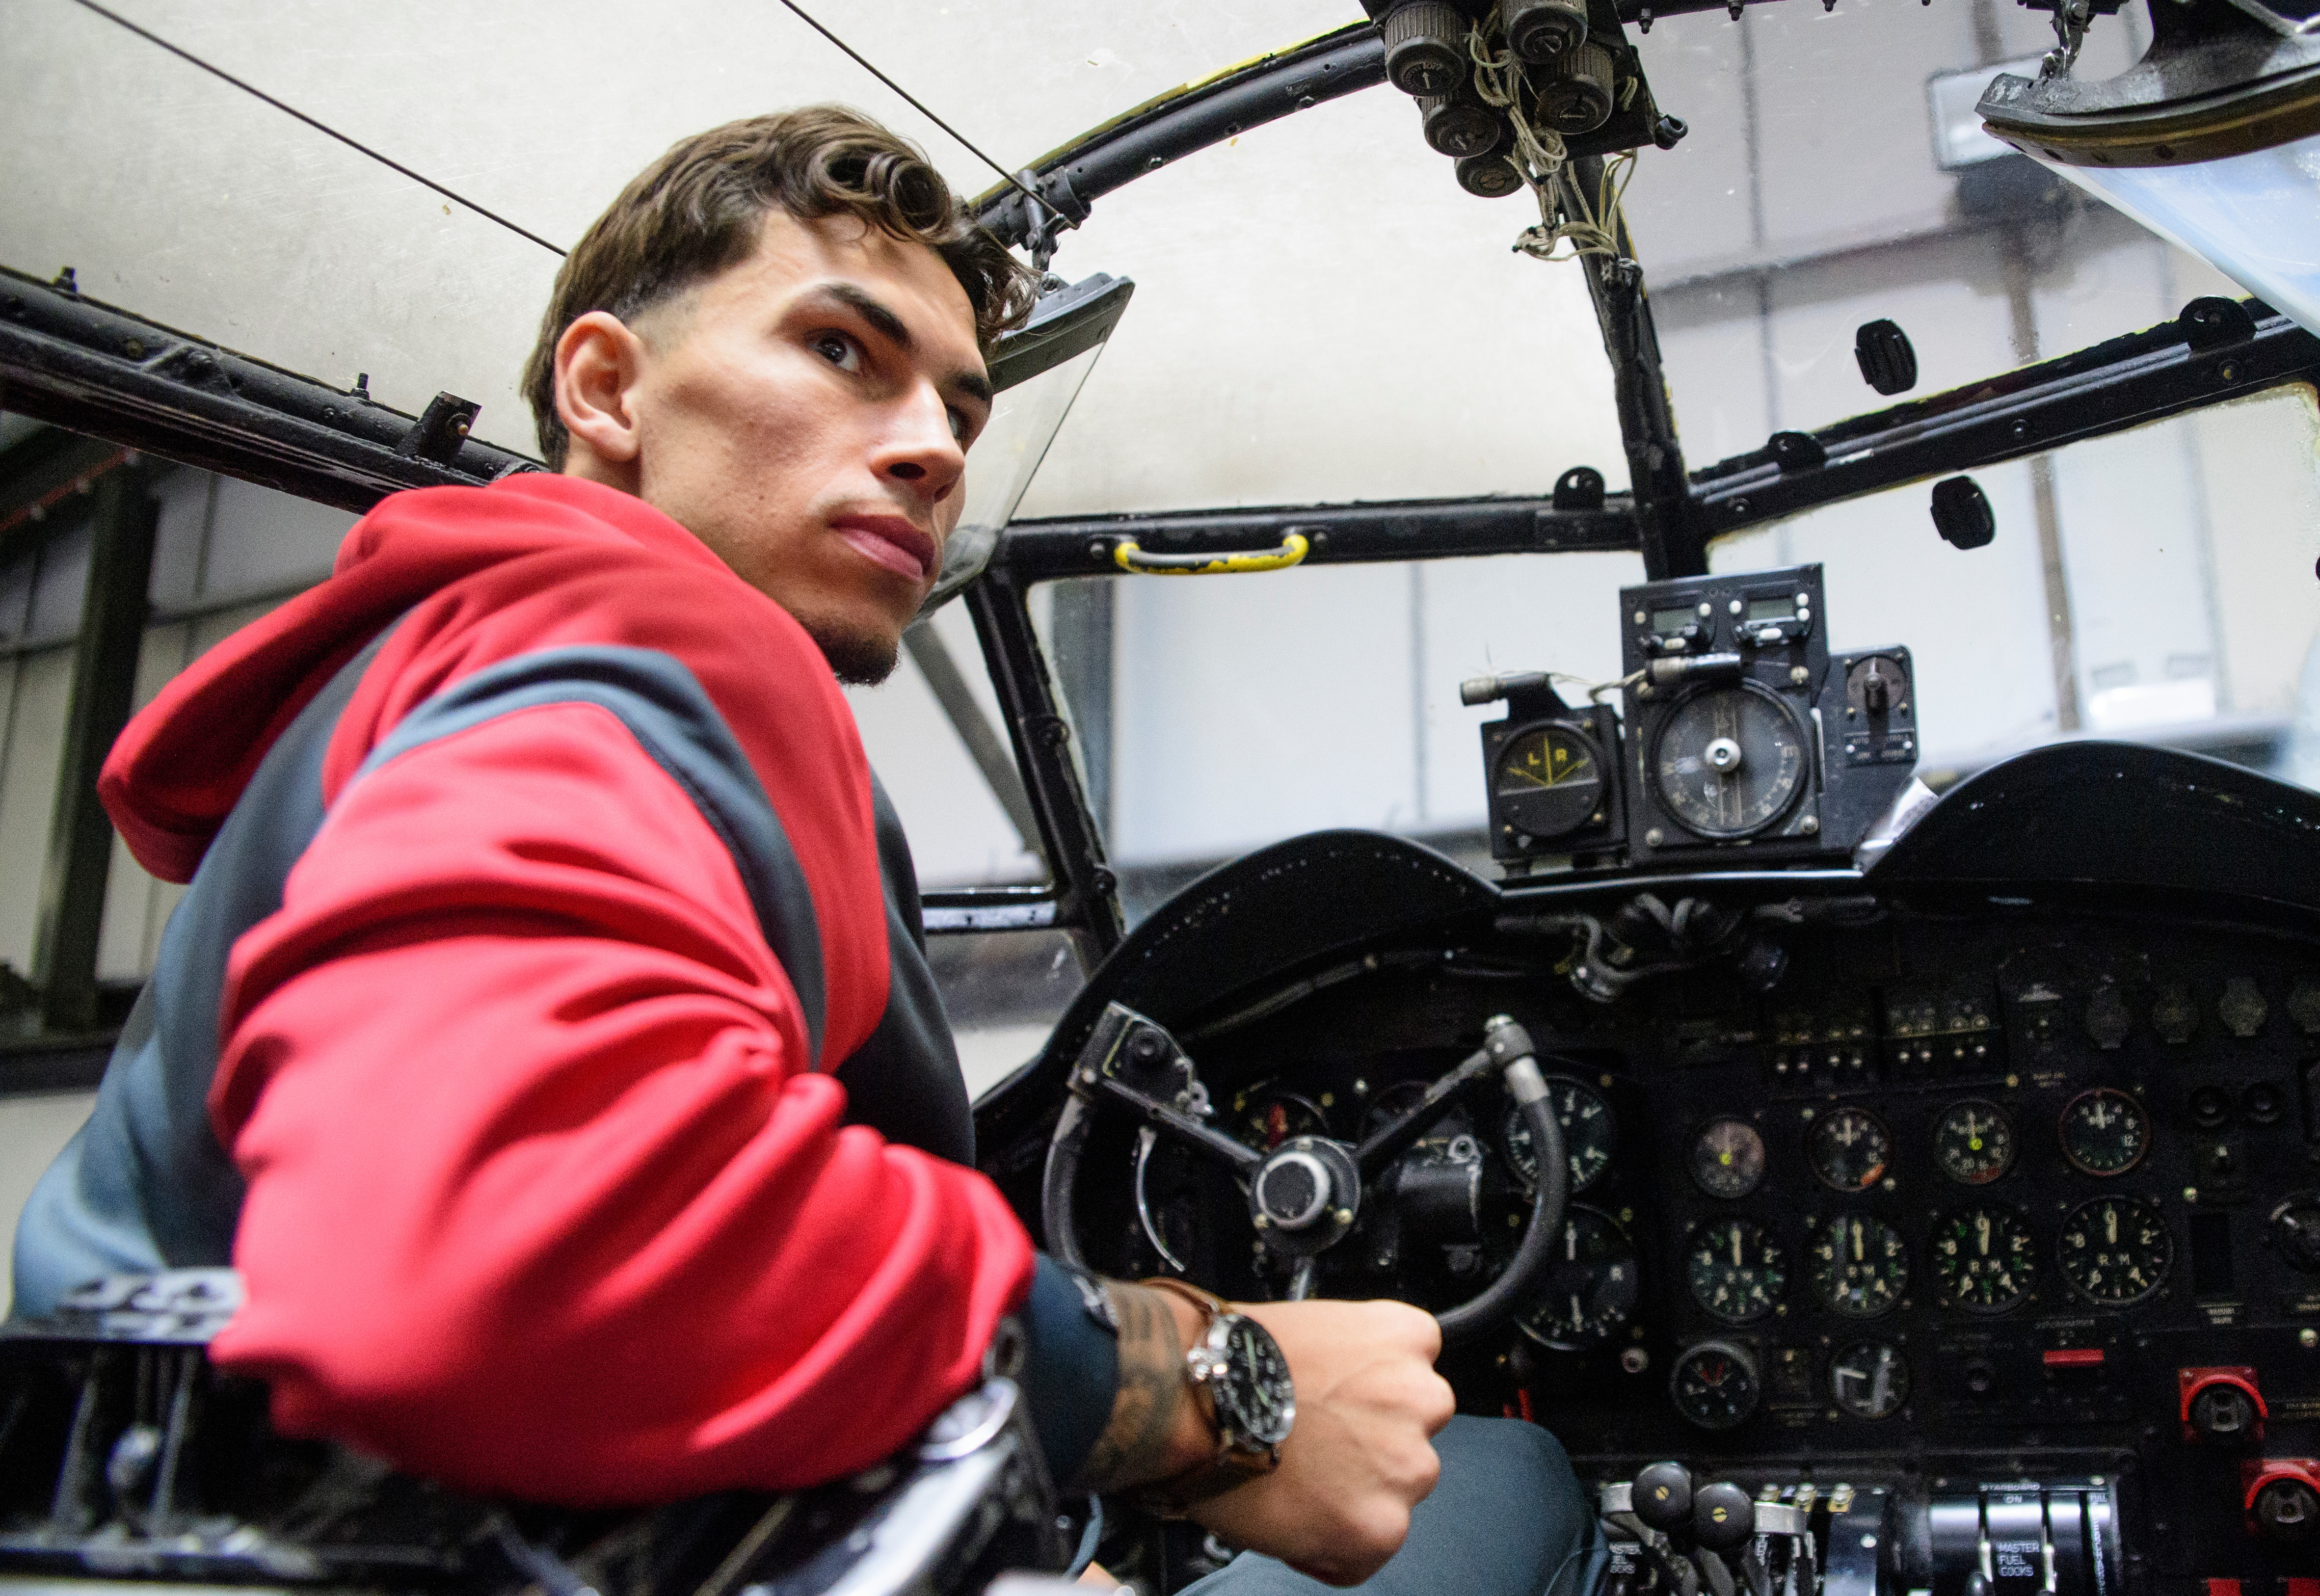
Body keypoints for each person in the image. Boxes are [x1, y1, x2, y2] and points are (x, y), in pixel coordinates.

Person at [11, 107, 1595, 1594]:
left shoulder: (426, 673)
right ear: (609, 391)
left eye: (961, 409)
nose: (931, 447)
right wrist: (1207, 1381)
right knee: (1505, 1480)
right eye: (842, 350)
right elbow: (505, 1242)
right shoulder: (636, 630)